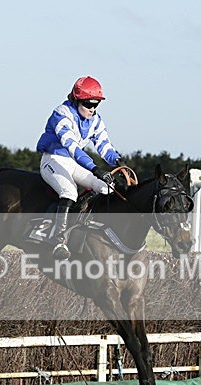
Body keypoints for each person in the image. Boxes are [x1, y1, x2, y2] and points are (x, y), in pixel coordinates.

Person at [36, 75, 124, 260]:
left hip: (72, 164)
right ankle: (58, 241)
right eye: (88, 104)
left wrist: (118, 161)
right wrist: (95, 169)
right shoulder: (61, 114)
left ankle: (90, 232)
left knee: (106, 187)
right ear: (76, 100)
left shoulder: (96, 121)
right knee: (69, 192)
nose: (92, 109)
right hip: (52, 160)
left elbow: (104, 146)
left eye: (96, 105)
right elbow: (73, 148)